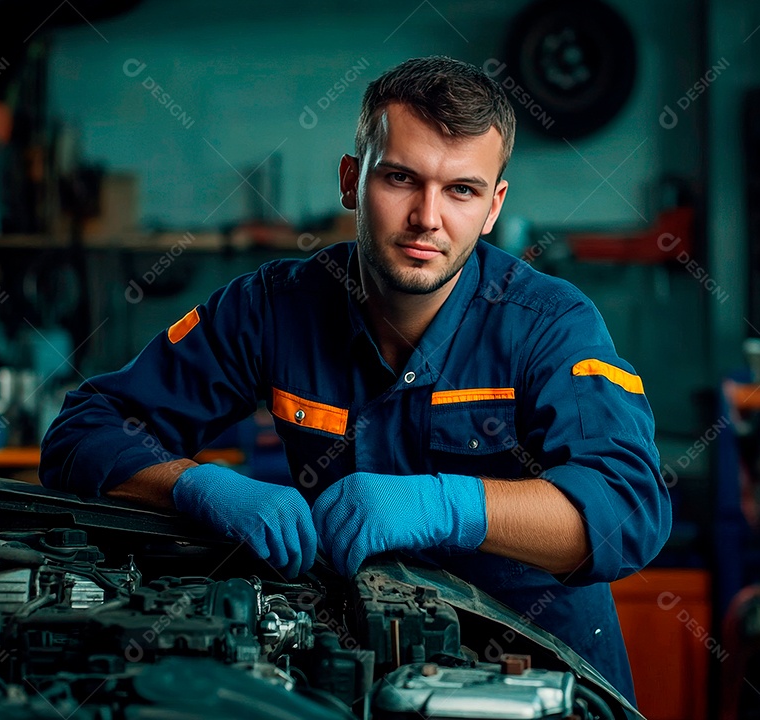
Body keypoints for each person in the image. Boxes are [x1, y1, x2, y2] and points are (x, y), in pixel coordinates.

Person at [39, 55, 671, 705]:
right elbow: (82, 434)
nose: (428, 217)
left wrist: (445, 507)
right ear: (351, 179)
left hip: (533, 681)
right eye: (400, 178)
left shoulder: (551, 325)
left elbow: (627, 512)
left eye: (461, 190)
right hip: (356, 674)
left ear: (493, 207)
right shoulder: (271, 308)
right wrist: (196, 487)